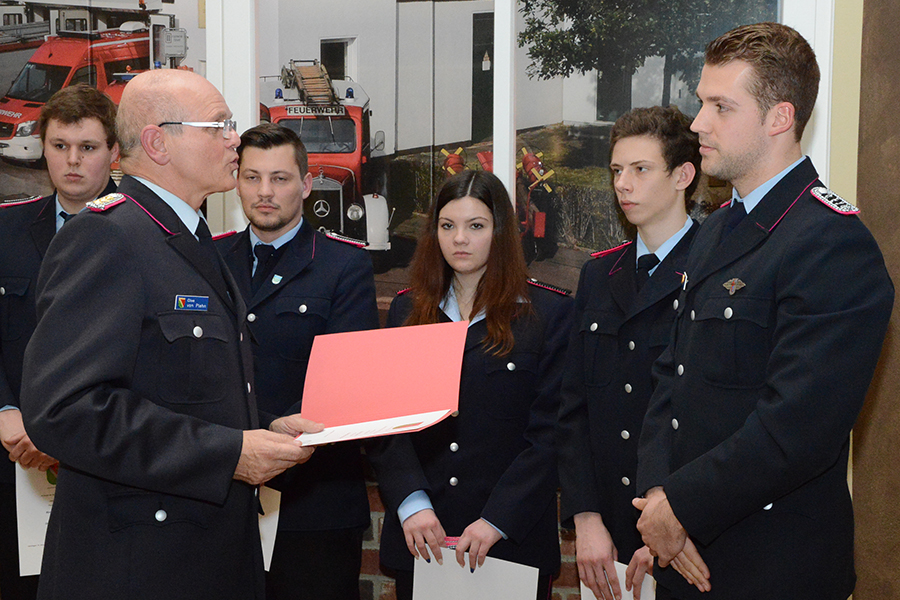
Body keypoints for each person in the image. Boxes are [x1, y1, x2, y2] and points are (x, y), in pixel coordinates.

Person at [20, 69, 322, 600]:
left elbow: (175, 387)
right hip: (139, 565)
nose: (235, 139)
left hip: (199, 554)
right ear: (158, 143)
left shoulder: (188, 234)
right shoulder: (109, 236)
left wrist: (261, 431)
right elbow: (64, 409)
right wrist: (227, 453)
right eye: (219, 125)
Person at [633, 22, 894, 600]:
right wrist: (656, 497)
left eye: (721, 107)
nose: (698, 123)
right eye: (702, 102)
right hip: (683, 557)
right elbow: (671, 375)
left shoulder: (830, 242)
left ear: (780, 117)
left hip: (771, 568)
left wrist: (681, 507)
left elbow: (797, 429)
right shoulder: (716, 228)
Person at [370, 170, 573, 600]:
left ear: (501, 232)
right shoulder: (408, 311)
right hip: (424, 538)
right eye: (447, 226)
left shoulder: (548, 315)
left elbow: (551, 433)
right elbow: (387, 424)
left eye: (475, 226)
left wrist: (497, 520)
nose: (459, 239)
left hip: (511, 541)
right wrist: (411, 503)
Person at [214, 123, 379, 600]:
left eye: (280, 178)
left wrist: (268, 433)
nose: (265, 192)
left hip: (314, 504)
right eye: (252, 177)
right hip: (224, 493)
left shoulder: (343, 266)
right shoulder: (210, 258)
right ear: (237, 181)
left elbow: (345, 385)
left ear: (306, 185)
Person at [557, 105, 701, 600]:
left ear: (683, 176)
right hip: (607, 535)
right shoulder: (599, 274)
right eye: (617, 170)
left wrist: (673, 523)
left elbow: (714, 415)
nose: (623, 184)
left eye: (640, 169)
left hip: (684, 531)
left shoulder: (712, 270)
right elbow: (573, 406)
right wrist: (585, 516)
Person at [0, 84, 118, 600]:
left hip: (109, 459)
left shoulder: (150, 234)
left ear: (114, 152)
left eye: (87, 147)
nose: (72, 161)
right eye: (59, 146)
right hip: (14, 456)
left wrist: (64, 427)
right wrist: (6, 410)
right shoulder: (5, 229)